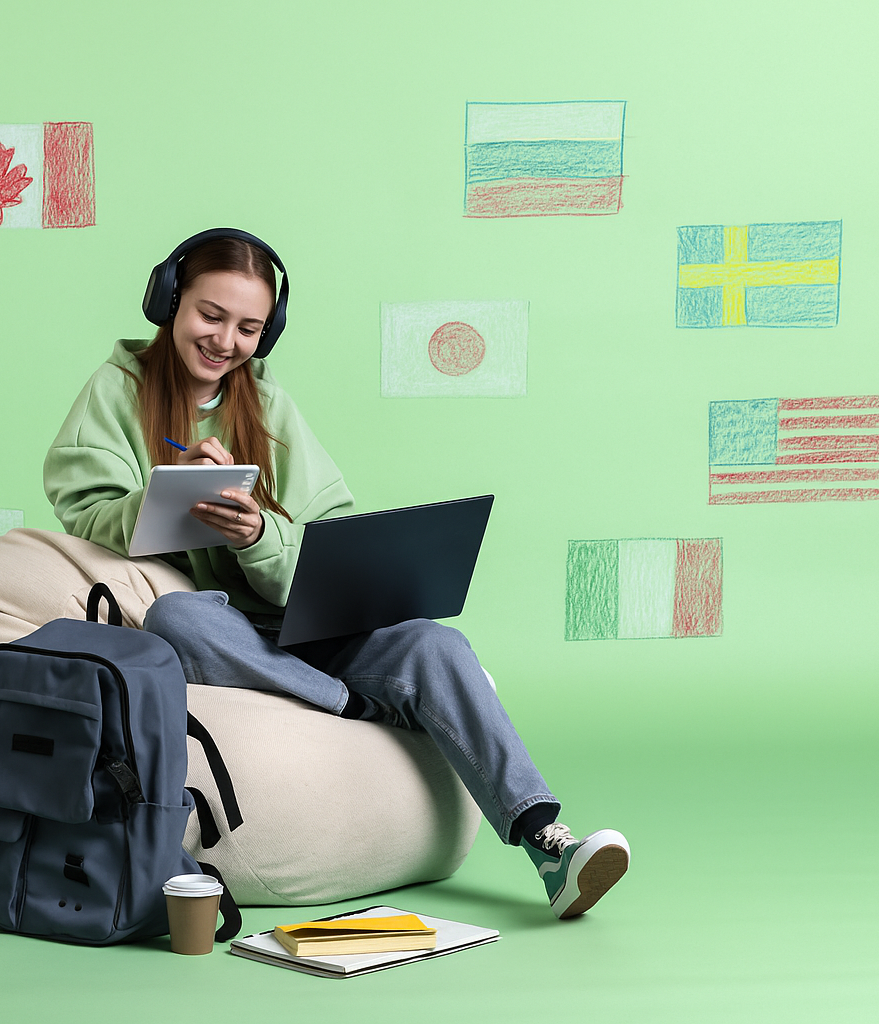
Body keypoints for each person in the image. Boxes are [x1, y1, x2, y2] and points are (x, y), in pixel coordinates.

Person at [43, 228, 628, 919]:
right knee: (177, 618)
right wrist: (168, 500)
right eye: (209, 314)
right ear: (169, 300)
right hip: (220, 632)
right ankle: (348, 705)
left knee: (434, 644)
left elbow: (328, 534)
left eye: (249, 327)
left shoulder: (268, 403)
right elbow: (83, 509)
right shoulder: (115, 392)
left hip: (297, 619)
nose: (225, 340)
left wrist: (259, 532)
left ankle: (546, 844)